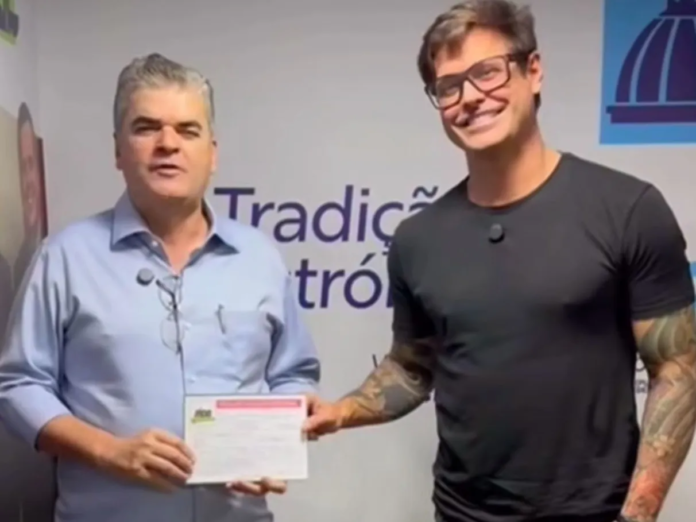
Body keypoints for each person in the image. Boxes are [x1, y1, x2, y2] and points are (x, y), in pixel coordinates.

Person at [304, 2, 696, 522]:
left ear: (533, 71)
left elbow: (677, 368)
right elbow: (412, 366)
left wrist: (638, 515)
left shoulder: (627, 209)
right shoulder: (417, 239)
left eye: (487, 72)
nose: (470, 97)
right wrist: (340, 412)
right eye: (449, 86)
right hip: (460, 512)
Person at [0, 53, 320, 522]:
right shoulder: (64, 258)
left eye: (187, 130)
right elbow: (19, 386)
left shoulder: (259, 257)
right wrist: (108, 451)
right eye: (146, 128)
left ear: (212, 153)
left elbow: (294, 373)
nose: (167, 144)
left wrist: (278, 435)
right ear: (118, 150)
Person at [14, 102, 47, 287]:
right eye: (23, 167)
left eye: (31, 164)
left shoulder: (54, 251)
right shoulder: (18, 264)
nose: (28, 181)